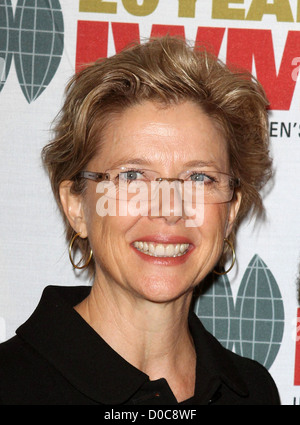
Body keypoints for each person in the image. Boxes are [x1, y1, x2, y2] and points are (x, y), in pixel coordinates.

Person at [0, 36, 280, 405]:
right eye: (133, 176)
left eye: (199, 178)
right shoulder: (10, 383)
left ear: (230, 213)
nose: (169, 209)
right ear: (75, 206)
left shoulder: (253, 391)